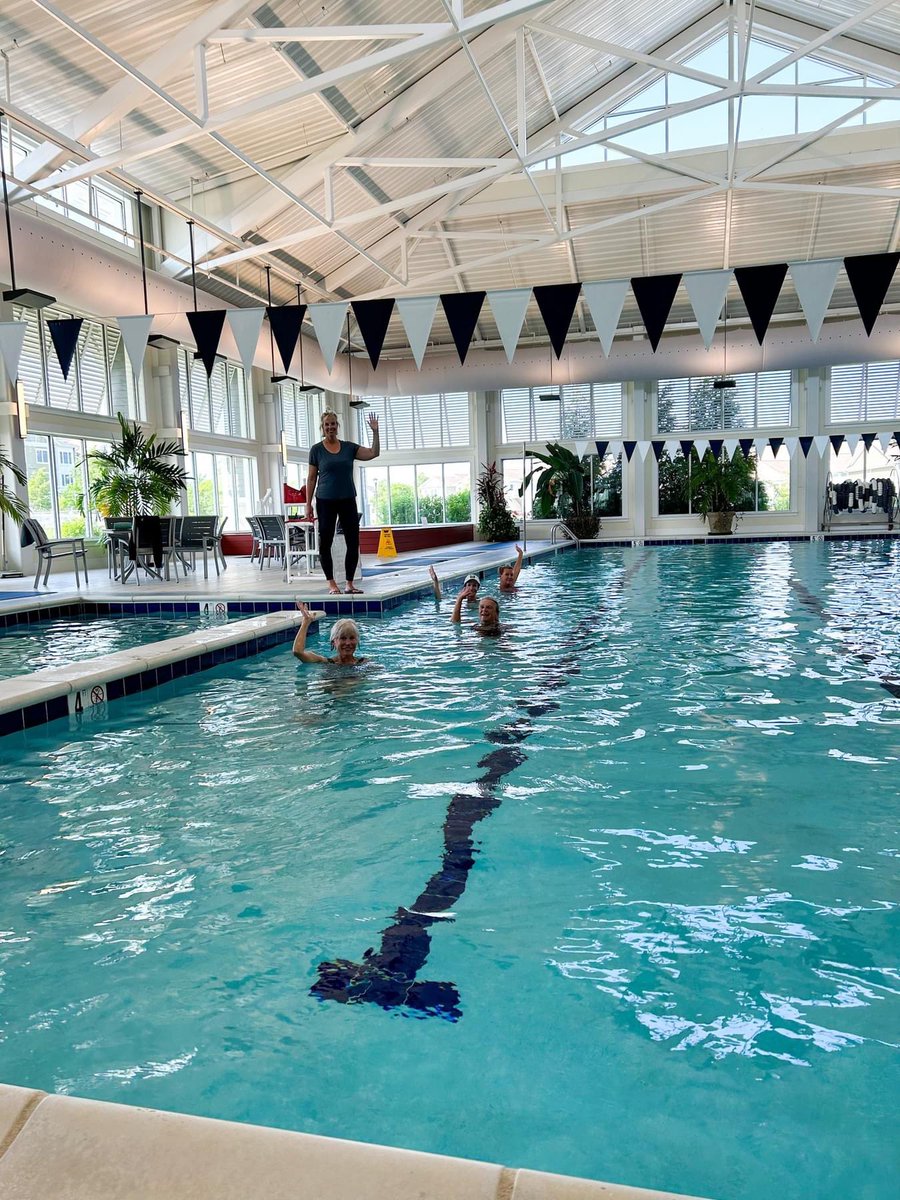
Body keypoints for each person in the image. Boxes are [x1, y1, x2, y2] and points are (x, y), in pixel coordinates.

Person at [305, 410, 380, 596]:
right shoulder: (316, 450)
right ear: (322, 428)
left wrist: (375, 432)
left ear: (337, 426)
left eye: (333, 424)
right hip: (325, 501)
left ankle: (349, 583)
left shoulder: (348, 448)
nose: (330, 427)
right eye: (327, 424)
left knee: (353, 542)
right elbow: (312, 478)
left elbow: (373, 453)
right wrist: (308, 504)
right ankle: (332, 584)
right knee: (325, 543)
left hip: (347, 499)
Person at [293, 602, 368, 664]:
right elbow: (298, 652)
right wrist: (305, 623)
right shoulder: (327, 662)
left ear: (357, 641)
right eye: (343, 638)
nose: (348, 643)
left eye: (352, 638)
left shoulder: (364, 663)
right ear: (333, 642)